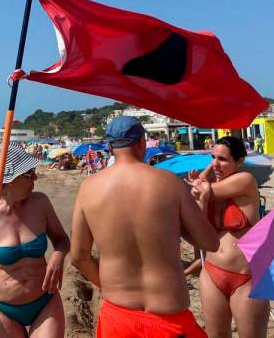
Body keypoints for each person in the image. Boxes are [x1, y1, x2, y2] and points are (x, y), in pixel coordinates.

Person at [70, 116, 219, 338]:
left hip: (118, 315)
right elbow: (210, 243)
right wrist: (201, 203)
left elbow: (79, 257)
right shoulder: (169, 183)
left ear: (110, 147)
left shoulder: (89, 188)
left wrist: (109, 287)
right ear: (141, 142)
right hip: (169, 317)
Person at [0, 142, 69, 338]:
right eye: (28, 173)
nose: (35, 177)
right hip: (4, 311)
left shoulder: (40, 203)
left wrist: (58, 256)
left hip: (45, 301)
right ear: (7, 178)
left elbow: (62, 240)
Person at [186, 136, 269, 338]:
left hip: (245, 277)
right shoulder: (213, 186)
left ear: (239, 162)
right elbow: (197, 194)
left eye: (222, 159)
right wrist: (210, 169)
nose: (215, 164)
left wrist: (201, 181)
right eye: (212, 157)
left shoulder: (245, 181)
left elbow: (198, 191)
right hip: (212, 272)